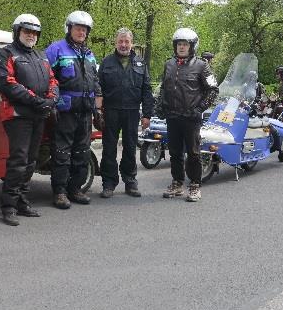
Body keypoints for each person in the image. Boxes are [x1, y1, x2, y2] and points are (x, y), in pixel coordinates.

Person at [0, 14, 59, 226]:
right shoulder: (5, 54)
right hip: (17, 116)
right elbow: (7, 83)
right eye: (27, 31)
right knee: (18, 160)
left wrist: (51, 99)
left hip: (38, 114)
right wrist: (35, 100)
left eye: (34, 33)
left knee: (31, 160)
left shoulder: (41, 57)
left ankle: (22, 201)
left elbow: (52, 80)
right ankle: (8, 206)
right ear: (18, 31)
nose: (31, 35)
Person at [46, 11, 103, 209]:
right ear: (69, 29)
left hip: (86, 111)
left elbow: (95, 82)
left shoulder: (89, 54)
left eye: (84, 29)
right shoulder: (56, 49)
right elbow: (47, 79)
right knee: (62, 153)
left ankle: (75, 189)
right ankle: (60, 192)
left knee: (82, 152)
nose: (81, 32)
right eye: (78, 28)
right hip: (65, 112)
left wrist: (98, 110)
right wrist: (51, 104)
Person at [156, 28, 218, 202]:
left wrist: (200, 108)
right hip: (172, 116)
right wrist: (160, 105)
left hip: (191, 117)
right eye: (179, 44)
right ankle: (177, 183)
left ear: (192, 46)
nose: (181, 47)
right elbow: (163, 88)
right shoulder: (169, 64)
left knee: (193, 153)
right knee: (175, 152)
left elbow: (213, 90)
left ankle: (195, 185)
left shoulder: (202, 65)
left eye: (185, 44)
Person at [98, 28, 154, 198]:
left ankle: (130, 181)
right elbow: (98, 89)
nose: (123, 44)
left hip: (132, 111)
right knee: (109, 148)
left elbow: (146, 90)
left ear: (131, 43)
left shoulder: (140, 63)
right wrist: (98, 112)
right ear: (116, 42)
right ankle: (108, 183)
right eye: (120, 41)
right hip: (111, 111)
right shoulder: (106, 62)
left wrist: (147, 115)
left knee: (130, 147)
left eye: (126, 41)